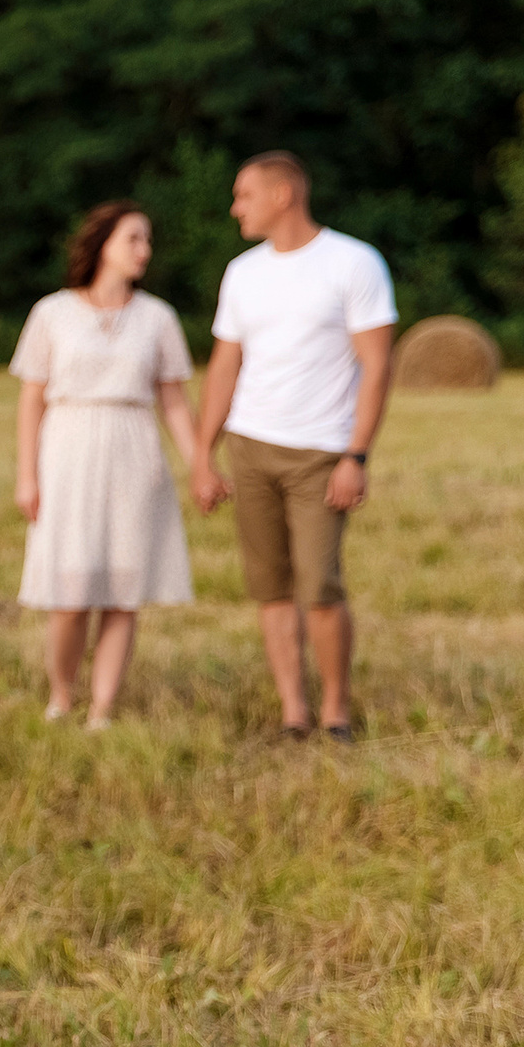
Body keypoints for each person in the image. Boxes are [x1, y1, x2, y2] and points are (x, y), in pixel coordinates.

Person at [190, 151, 396, 741]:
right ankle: (293, 714)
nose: (235, 208)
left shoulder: (354, 263)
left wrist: (356, 456)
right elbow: (224, 366)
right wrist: (205, 456)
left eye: (243, 195)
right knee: (271, 587)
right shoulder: (242, 273)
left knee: (320, 587)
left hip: (320, 455)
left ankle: (336, 712)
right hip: (250, 449)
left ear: (283, 195)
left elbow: (377, 366)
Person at [10, 199, 200, 728]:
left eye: (148, 240)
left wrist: (198, 464)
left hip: (133, 449)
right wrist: (27, 475)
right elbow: (32, 399)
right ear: (103, 245)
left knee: (122, 589)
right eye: (134, 239)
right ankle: (61, 697)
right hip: (68, 449)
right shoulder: (52, 312)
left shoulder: (158, 317)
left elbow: (175, 402)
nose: (145, 250)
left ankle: (103, 708)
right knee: (70, 591)